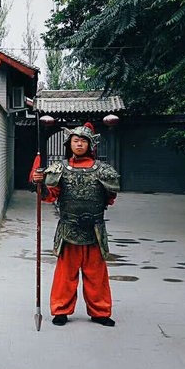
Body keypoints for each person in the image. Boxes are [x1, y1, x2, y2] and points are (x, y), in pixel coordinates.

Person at [32, 123, 120, 327]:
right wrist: (39, 183)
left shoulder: (103, 169)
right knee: (65, 274)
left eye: (83, 141)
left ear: (90, 144)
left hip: (94, 228)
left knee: (96, 274)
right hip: (68, 227)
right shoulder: (60, 168)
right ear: (69, 144)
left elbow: (110, 197)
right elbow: (49, 196)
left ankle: (100, 311)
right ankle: (61, 310)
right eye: (75, 140)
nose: (79, 144)